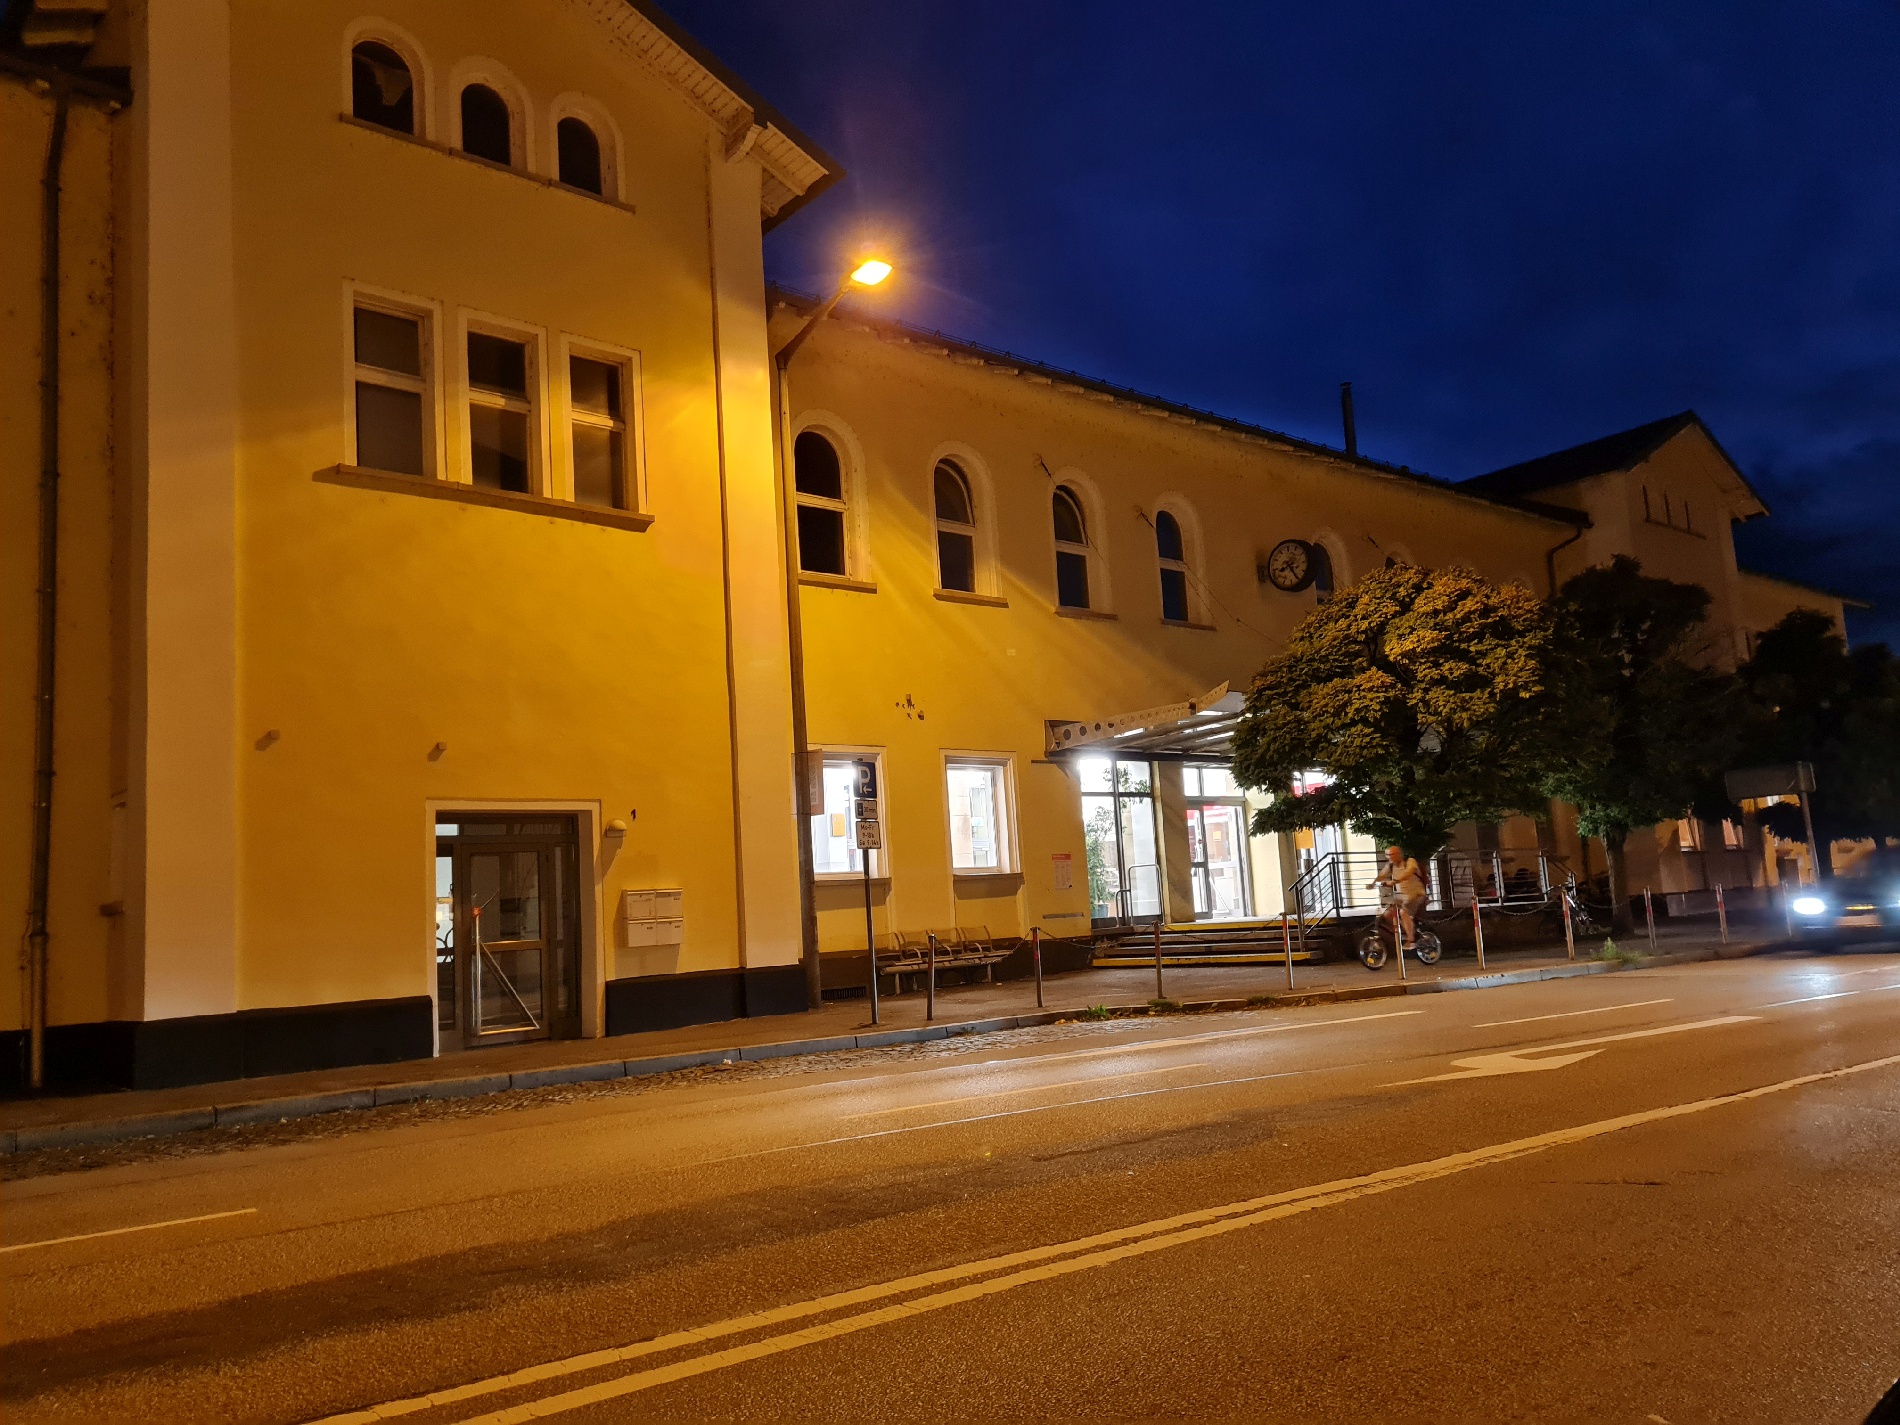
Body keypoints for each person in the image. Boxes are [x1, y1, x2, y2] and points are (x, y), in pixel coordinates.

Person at [1370, 845, 1428, 949]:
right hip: (1401, 896)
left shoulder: (1410, 861)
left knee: (1403, 912)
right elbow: (1382, 875)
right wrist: (1373, 883)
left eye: (1392, 854)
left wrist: (1395, 881)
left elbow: (1408, 873)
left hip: (1416, 894)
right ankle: (1405, 930)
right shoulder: (1391, 865)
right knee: (1387, 914)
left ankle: (1411, 940)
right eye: (1388, 855)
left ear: (1399, 854)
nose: (1389, 857)